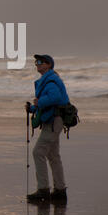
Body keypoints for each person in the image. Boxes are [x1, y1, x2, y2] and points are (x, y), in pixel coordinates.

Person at [25, 54, 69, 203]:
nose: (36, 64)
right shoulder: (49, 79)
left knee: (38, 152)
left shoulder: (50, 81)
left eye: (39, 62)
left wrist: (39, 102)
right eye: (35, 62)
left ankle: (43, 190)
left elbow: (55, 98)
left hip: (53, 122)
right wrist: (32, 108)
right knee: (53, 156)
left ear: (48, 64)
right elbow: (45, 103)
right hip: (54, 120)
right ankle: (60, 191)